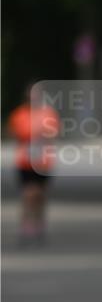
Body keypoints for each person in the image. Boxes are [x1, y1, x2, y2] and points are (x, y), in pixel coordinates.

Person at [7, 85, 60, 244]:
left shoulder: (48, 114)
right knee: (28, 194)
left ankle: (39, 223)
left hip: (43, 162)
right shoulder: (19, 114)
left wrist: (42, 133)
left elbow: (54, 132)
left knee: (40, 195)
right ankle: (26, 225)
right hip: (25, 161)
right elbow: (13, 133)